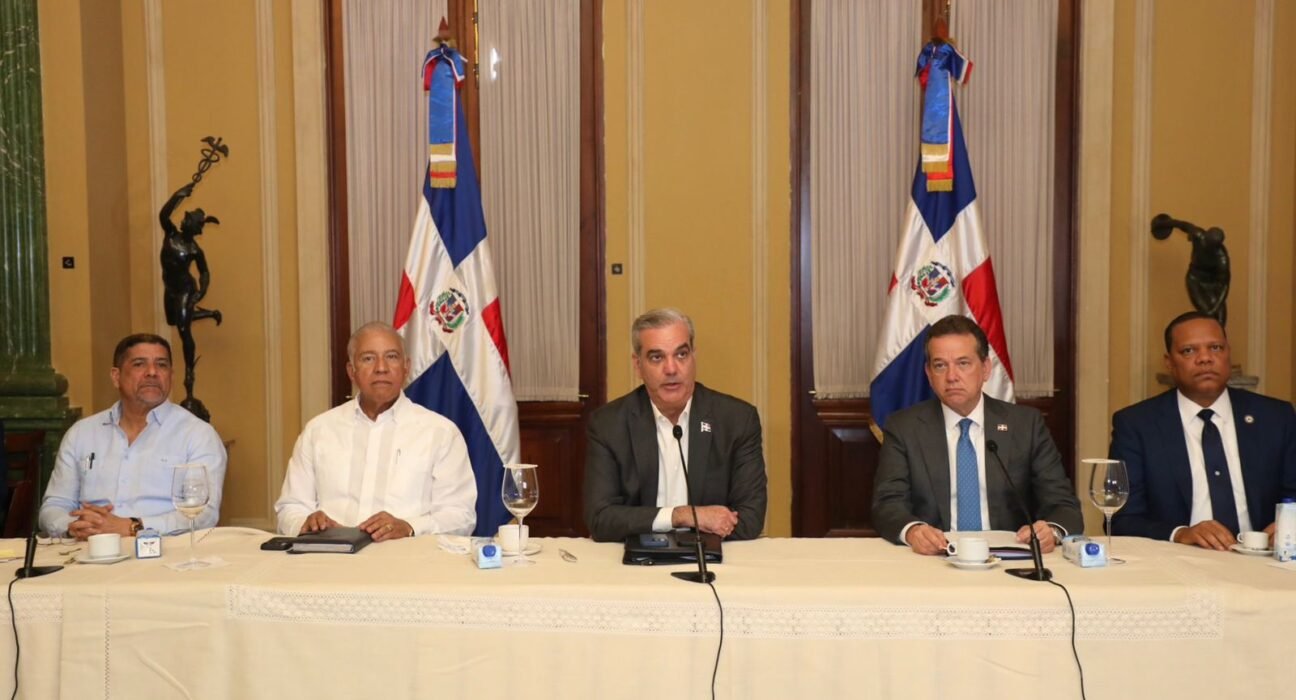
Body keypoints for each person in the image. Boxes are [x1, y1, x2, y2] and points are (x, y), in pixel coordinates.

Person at [872, 315, 1083, 555]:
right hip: (935, 557)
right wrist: (913, 531)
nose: (952, 376)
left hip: (1009, 556)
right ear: (929, 374)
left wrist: (1051, 531)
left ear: (985, 369)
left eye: (963, 363)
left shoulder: (1026, 425)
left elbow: (1063, 505)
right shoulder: (904, 427)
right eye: (940, 365)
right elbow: (887, 504)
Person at [1109, 312, 1296, 550]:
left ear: (1228, 353)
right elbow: (1122, 520)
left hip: (1263, 559)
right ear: (1169, 362)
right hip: (1179, 560)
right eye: (1189, 351)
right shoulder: (1137, 424)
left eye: (1216, 348)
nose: (1205, 358)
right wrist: (1179, 534)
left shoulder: (1276, 417)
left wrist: (1289, 524)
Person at [275, 322, 476, 540]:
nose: (381, 368)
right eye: (368, 358)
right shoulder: (318, 431)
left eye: (391, 357)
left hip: (406, 558)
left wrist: (410, 527)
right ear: (351, 371)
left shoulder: (441, 433)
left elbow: (461, 516)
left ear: (406, 367)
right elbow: (290, 508)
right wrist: (306, 523)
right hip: (330, 557)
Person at [584, 309, 768, 543]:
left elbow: (750, 518)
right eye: (657, 357)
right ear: (638, 365)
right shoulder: (608, 424)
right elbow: (600, 519)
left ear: (693, 357)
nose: (671, 369)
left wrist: (685, 542)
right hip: (639, 558)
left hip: (711, 555)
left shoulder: (737, 420)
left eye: (681, 355)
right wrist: (681, 516)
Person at [39, 334, 228, 539]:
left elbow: (203, 513)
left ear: (171, 376)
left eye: (161, 365)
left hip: (165, 551)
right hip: (89, 547)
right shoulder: (81, 434)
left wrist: (133, 527)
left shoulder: (197, 435)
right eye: (139, 364)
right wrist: (73, 526)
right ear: (116, 376)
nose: (152, 372)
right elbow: (54, 506)